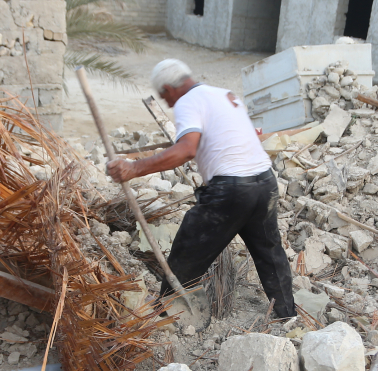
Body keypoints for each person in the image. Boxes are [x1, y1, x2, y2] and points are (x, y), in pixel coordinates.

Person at [106, 59, 296, 319]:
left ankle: (163, 310)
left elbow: (186, 149)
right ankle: (287, 314)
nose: (167, 103)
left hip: (231, 190)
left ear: (169, 88)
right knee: (269, 251)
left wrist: (134, 168)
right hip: (265, 183)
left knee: (190, 245)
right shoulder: (224, 94)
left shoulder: (188, 101)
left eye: (164, 96)